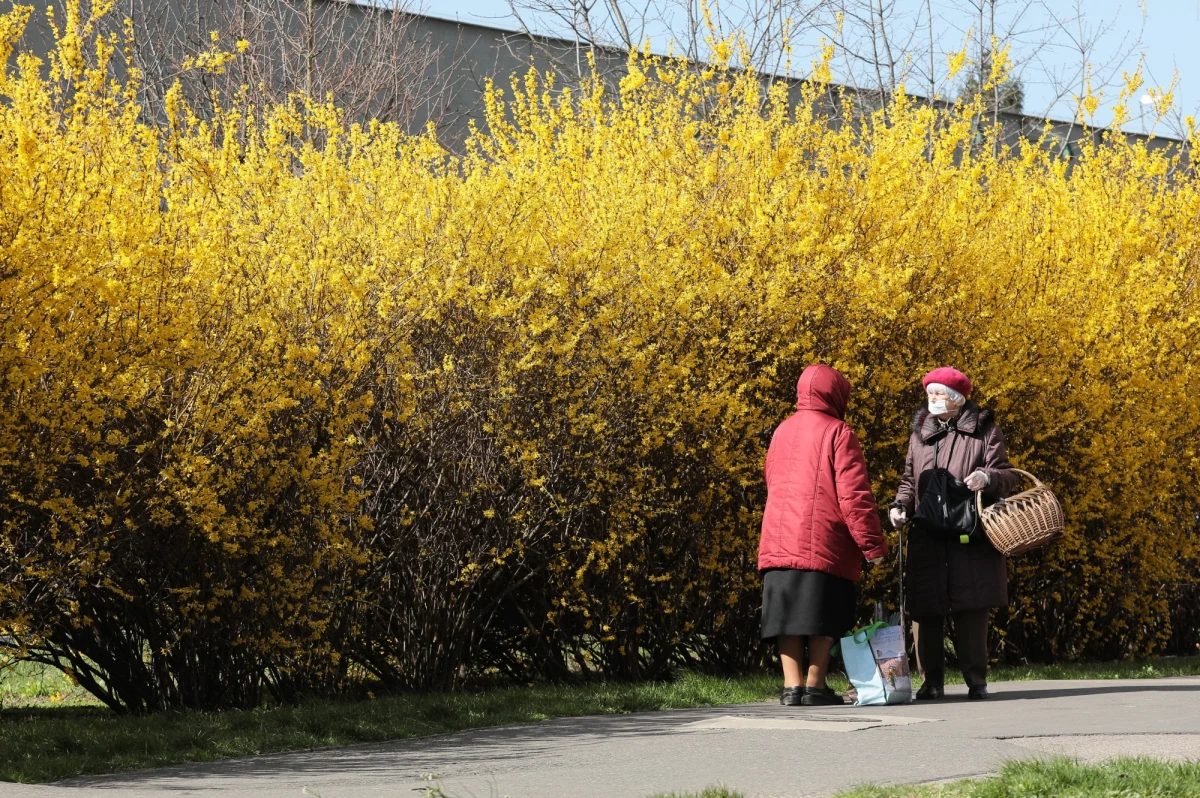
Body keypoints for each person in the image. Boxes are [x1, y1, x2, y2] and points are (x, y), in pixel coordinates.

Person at [758, 364, 889, 707]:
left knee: (785, 615)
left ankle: (791, 687)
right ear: (836, 394)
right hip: (824, 539)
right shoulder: (838, 432)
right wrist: (872, 544)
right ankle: (815, 686)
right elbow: (853, 495)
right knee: (822, 613)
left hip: (780, 536)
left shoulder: (782, 430)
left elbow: (771, 479)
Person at [889, 367, 1020, 701]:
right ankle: (931, 681)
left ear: (958, 399)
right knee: (925, 609)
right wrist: (900, 505)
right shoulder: (920, 433)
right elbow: (909, 479)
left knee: (973, 608)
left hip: (970, 531)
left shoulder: (984, 431)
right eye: (930, 393)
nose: (932, 399)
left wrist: (987, 478)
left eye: (939, 393)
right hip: (928, 532)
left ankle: (976, 680)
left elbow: (1007, 475)